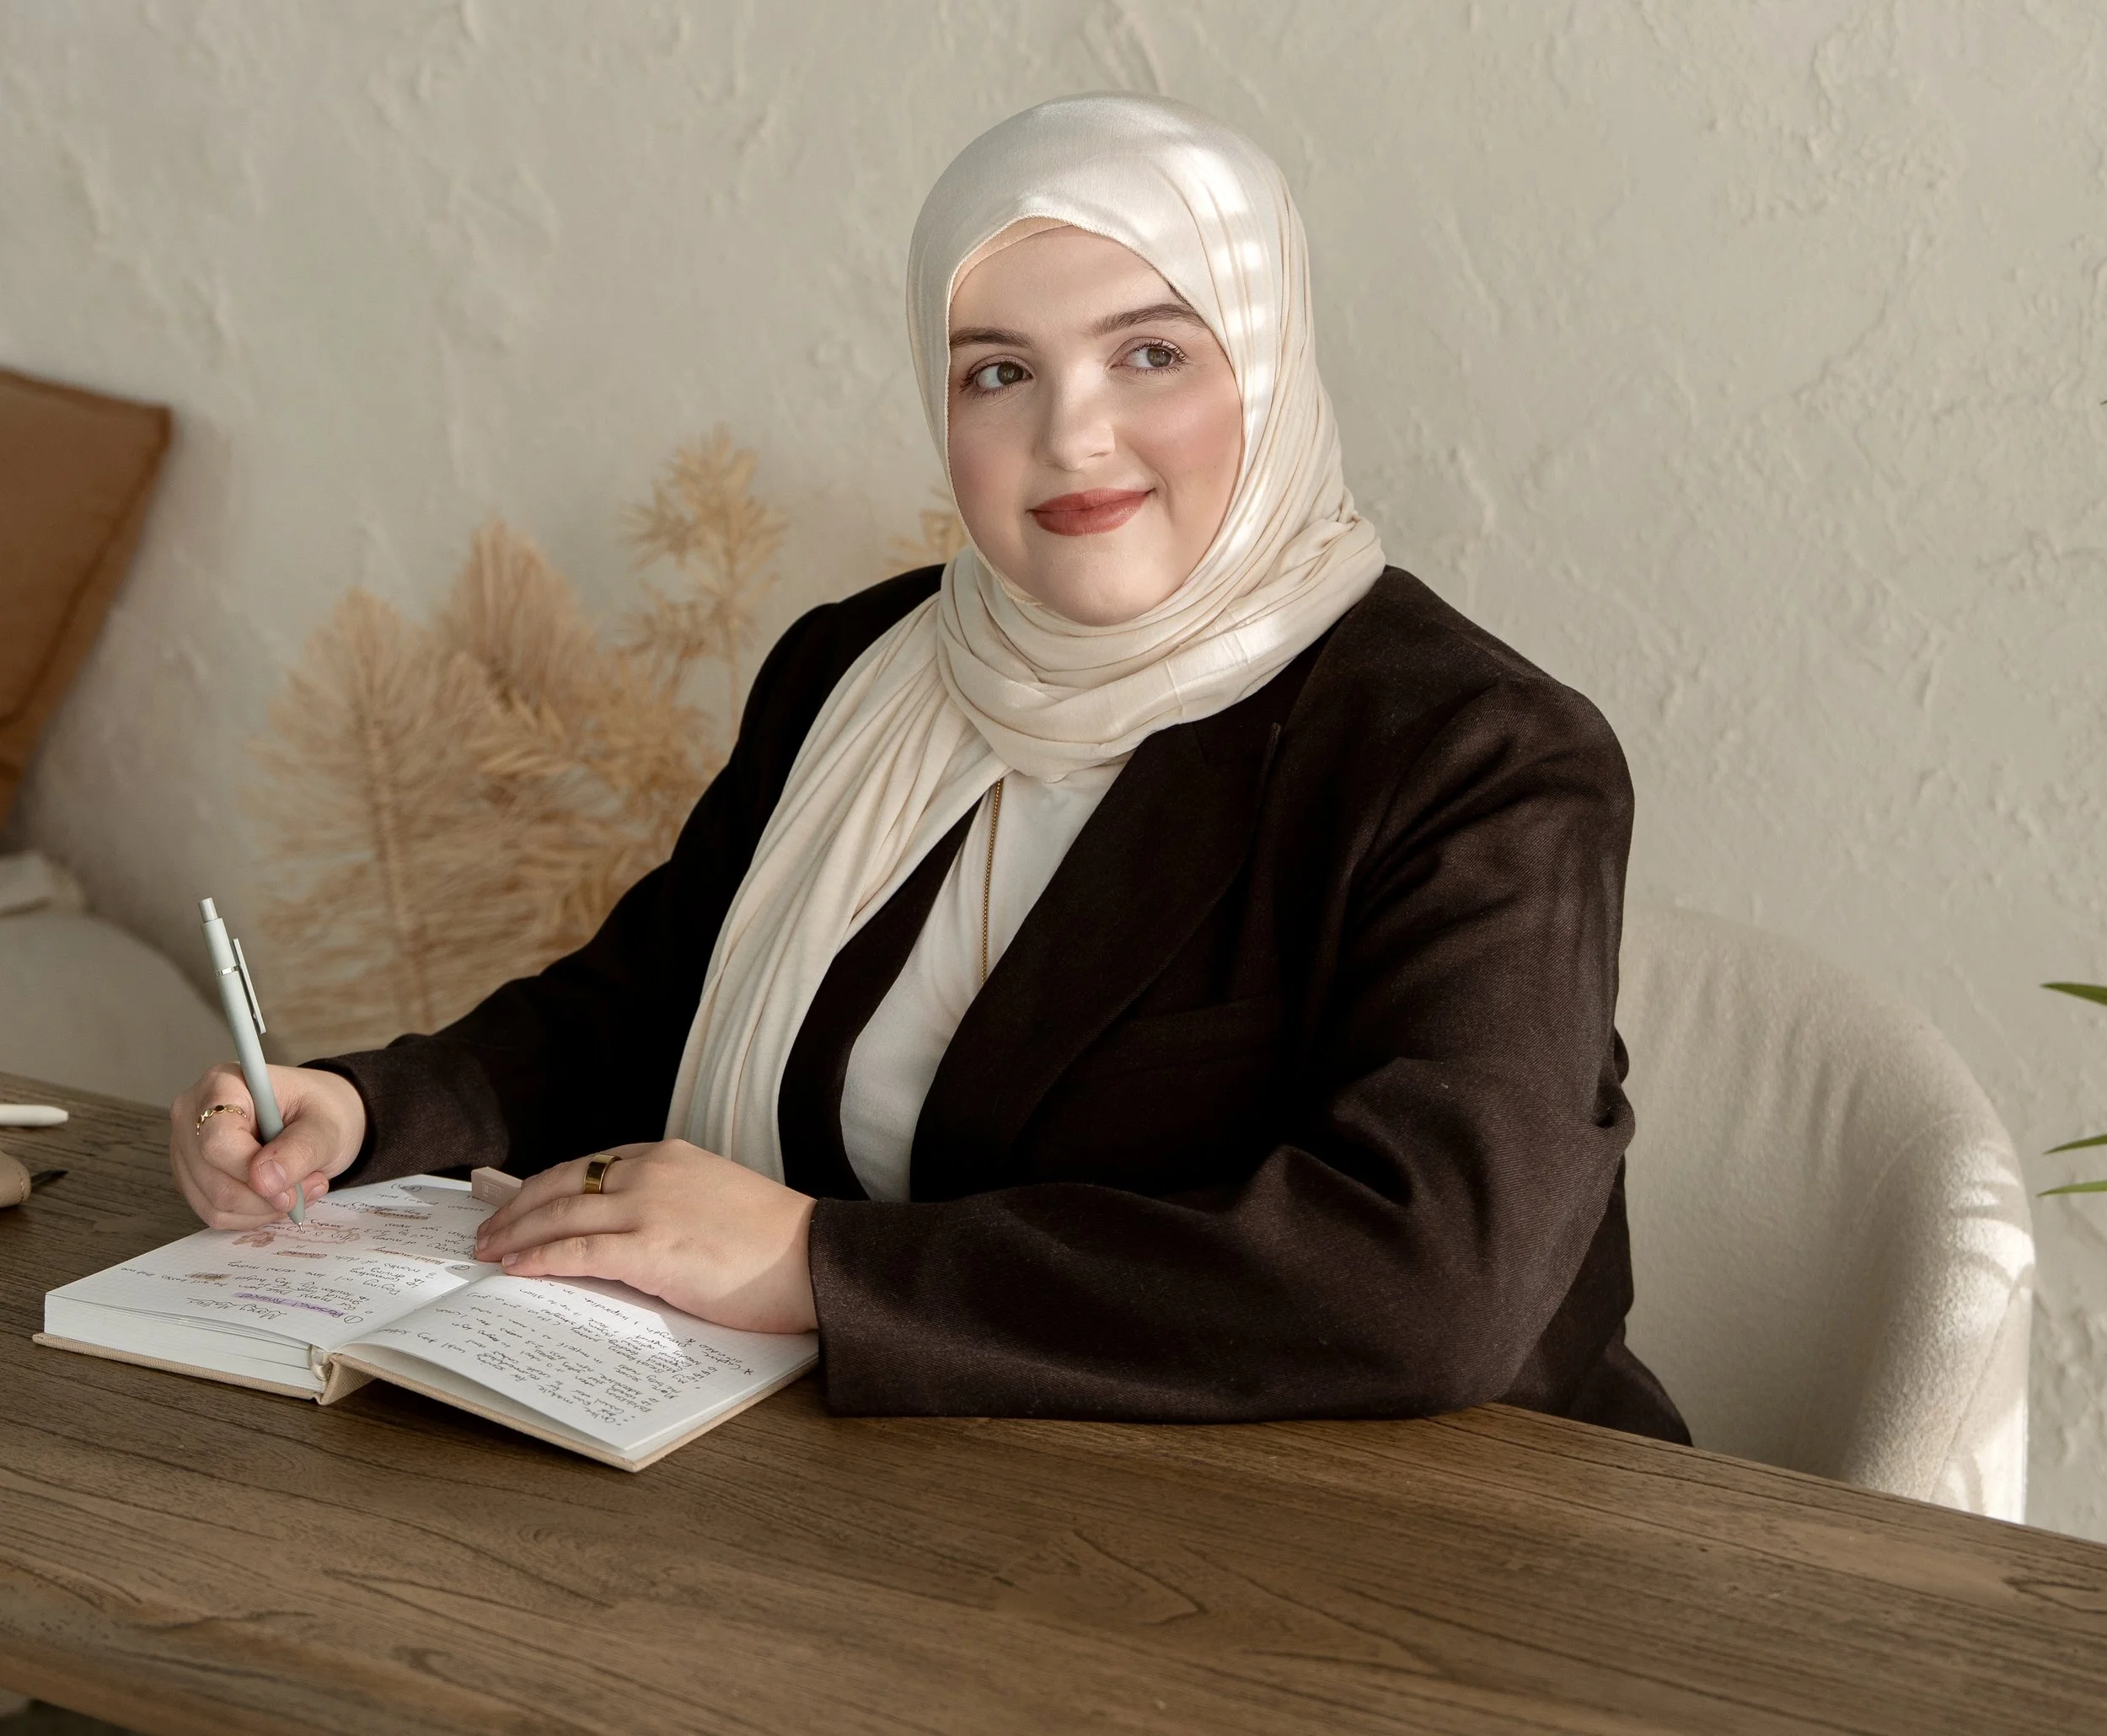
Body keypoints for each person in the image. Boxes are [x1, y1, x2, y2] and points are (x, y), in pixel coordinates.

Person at [170, 94, 1685, 1435]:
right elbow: (645, 1007)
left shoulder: (1476, 758)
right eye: (997, 372)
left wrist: (813, 1266)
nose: (1074, 437)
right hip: (904, 1490)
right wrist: (364, 1113)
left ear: (1274, 371)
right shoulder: (866, 669)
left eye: (1151, 352)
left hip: (1407, 1551)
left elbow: (1432, 1280)